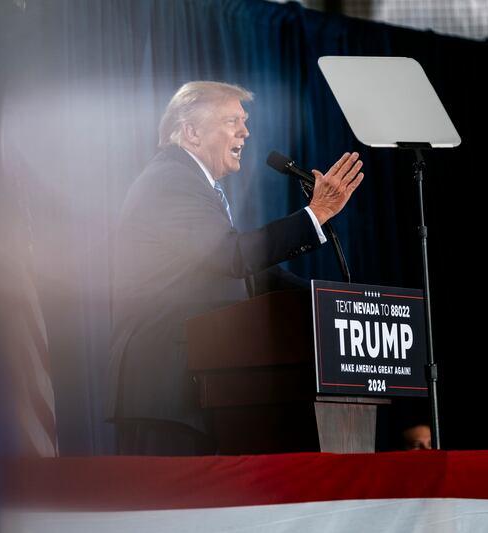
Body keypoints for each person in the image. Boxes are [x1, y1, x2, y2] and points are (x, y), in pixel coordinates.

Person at [107, 81, 364, 455]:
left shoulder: (193, 183)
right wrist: (316, 214)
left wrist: (324, 301)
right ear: (192, 131)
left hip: (193, 390)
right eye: (232, 121)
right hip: (164, 393)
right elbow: (232, 257)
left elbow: (241, 274)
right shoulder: (171, 181)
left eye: (244, 121)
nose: (245, 131)